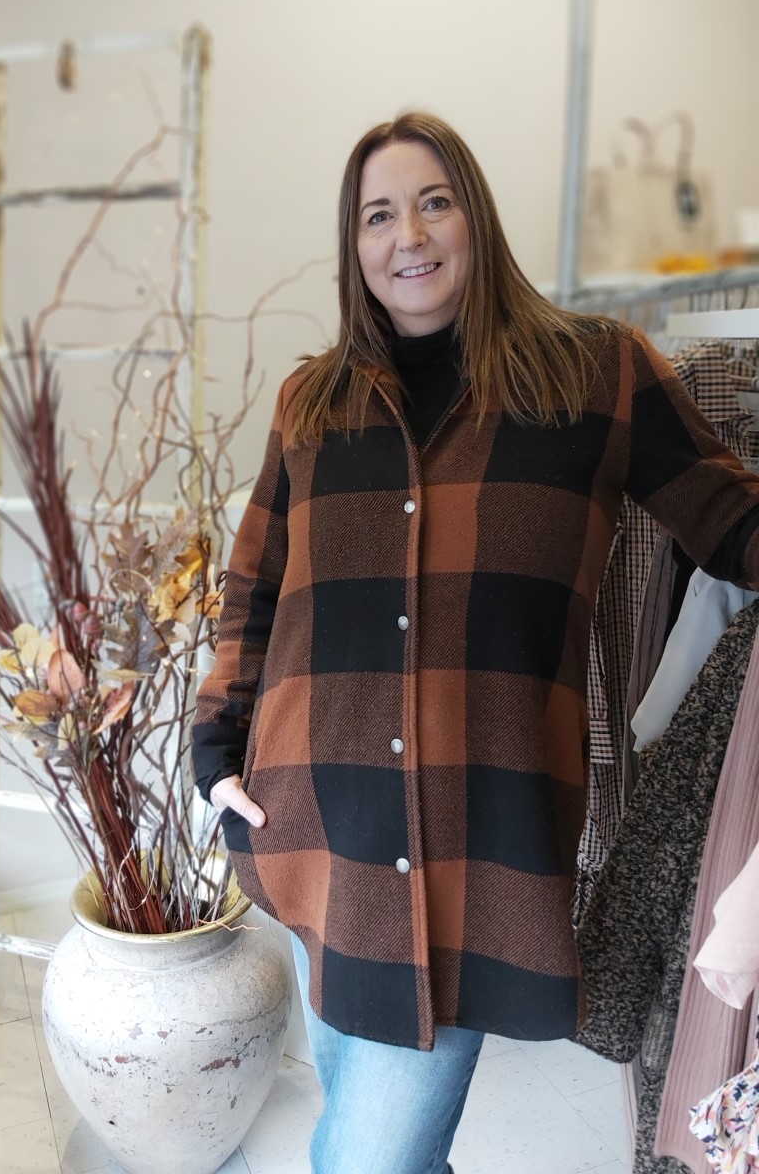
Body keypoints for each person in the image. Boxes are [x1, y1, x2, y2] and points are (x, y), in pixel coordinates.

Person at [191, 112, 759, 1174]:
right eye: (377, 212)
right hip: (316, 830)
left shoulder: (598, 374)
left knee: (359, 1158)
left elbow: (733, 522)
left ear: (475, 218)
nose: (407, 232)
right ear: (354, 246)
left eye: (433, 199)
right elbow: (253, 590)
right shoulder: (311, 403)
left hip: (473, 846)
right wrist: (215, 753)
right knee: (378, 1141)